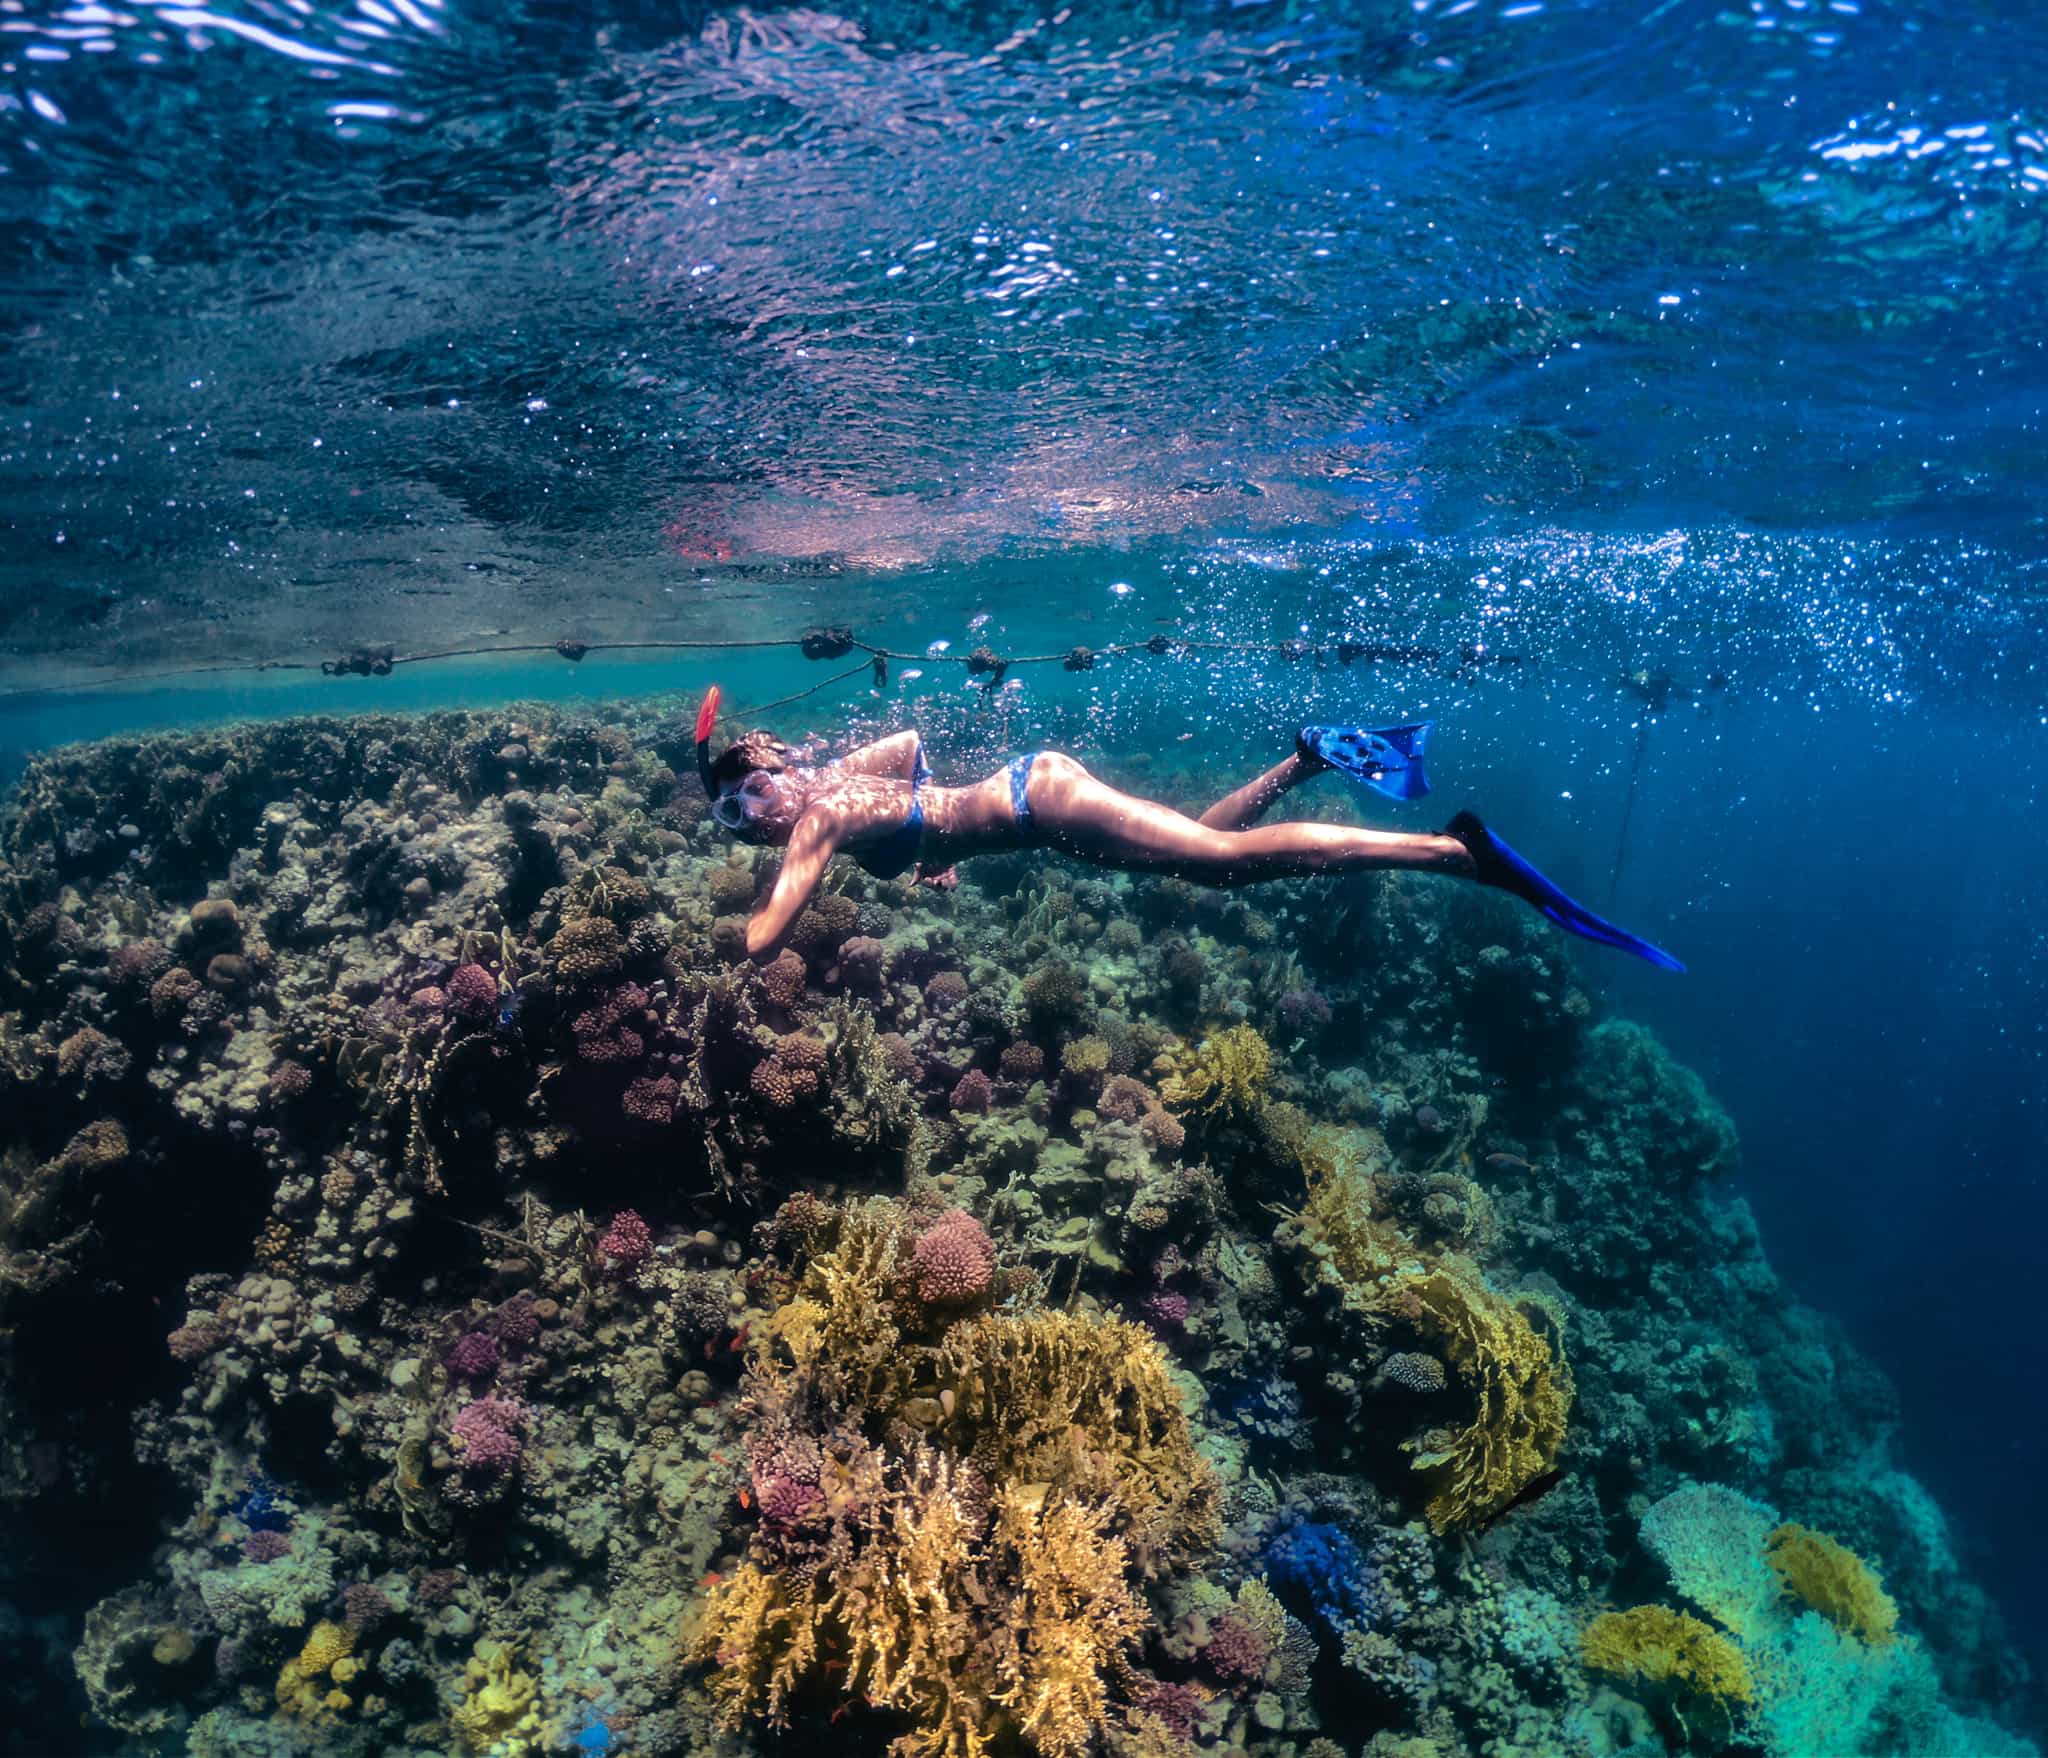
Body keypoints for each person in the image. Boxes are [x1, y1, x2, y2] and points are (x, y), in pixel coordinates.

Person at [691, 686, 1682, 971]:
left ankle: (1450, 852)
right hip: (1031, 799)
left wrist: (719, 943)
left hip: (1039, 805)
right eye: (732, 810)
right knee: (1197, 864)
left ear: (778, 774)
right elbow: (907, 746)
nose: (752, 815)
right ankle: (1304, 755)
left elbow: (774, 926)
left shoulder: (809, 824)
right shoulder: (838, 781)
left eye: (750, 795)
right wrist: (932, 847)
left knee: (1216, 866)